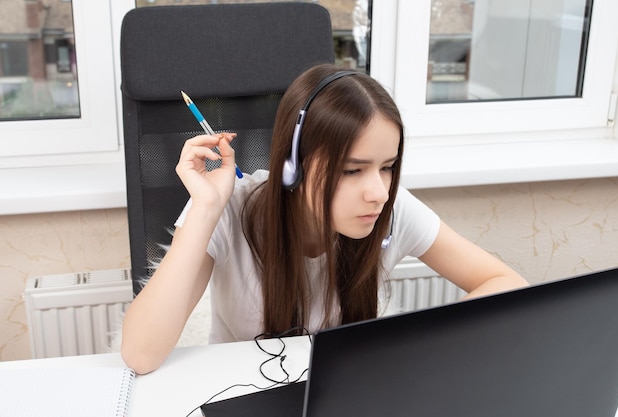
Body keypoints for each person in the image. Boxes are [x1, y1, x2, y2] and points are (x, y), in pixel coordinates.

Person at [121, 64, 528, 374]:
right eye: (353, 170)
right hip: (244, 390)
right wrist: (206, 209)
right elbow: (140, 354)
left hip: (349, 392)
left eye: (387, 166)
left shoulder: (391, 209)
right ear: (292, 167)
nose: (379, 191)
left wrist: (422, 342)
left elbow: (507, 283)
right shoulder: (230, 206)